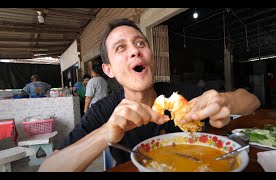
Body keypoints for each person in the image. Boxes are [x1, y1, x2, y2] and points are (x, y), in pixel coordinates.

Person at [38, 18, 260, 172]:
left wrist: (226, 101)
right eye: (121, 48)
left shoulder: (184, 95)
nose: (135, 50)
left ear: (150, 57)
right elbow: (48, 168)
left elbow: (253, 102)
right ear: (108, 70)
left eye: (140, 43)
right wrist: (105, 133)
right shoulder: (105, 111)